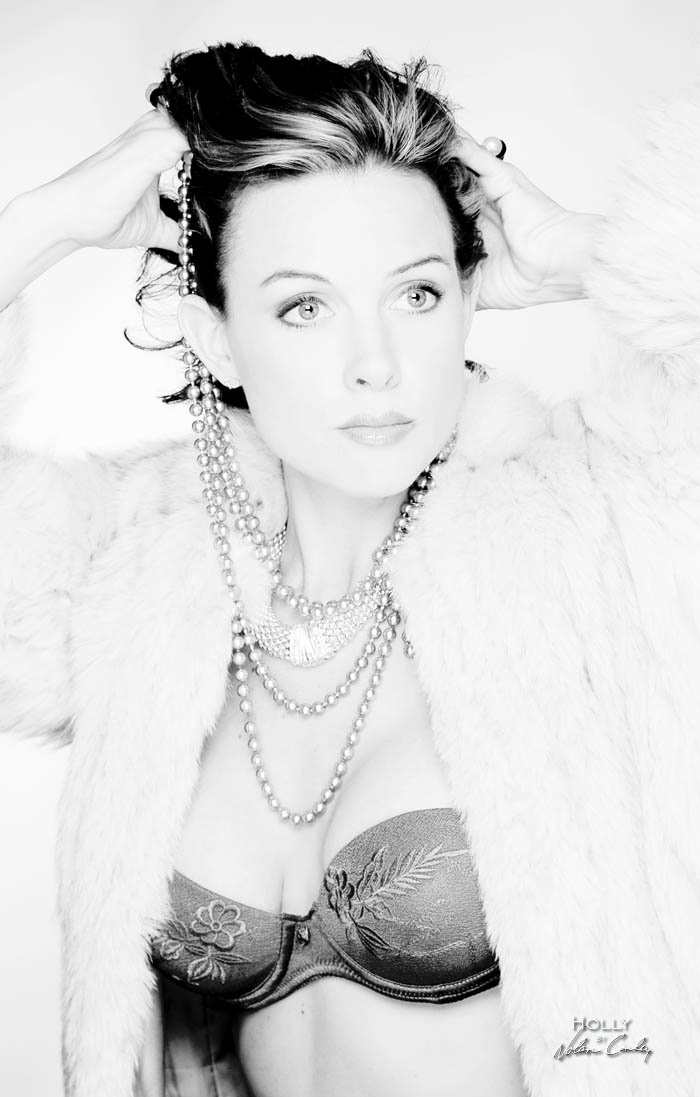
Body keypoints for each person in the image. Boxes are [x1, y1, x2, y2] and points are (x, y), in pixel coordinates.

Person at [1, 39, 699, 1097]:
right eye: (305, 305)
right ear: (215, 339)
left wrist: (582, 255)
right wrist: (41, 222)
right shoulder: (138, 576)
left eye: (415, 294)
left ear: (467, 298)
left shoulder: (594, 530)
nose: (376, 362)